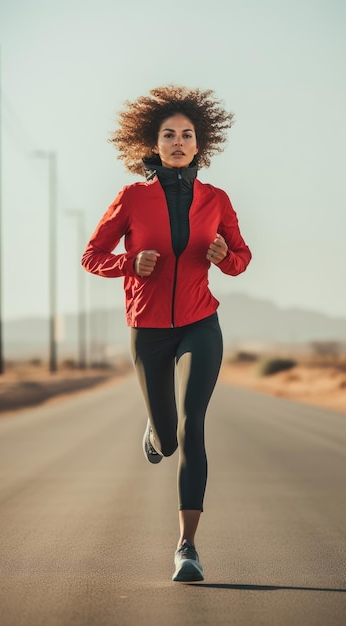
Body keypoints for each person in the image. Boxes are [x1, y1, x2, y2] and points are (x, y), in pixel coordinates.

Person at [81, 85, 252, 582]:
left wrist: (225, 258)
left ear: (201, 145)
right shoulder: (131, 199)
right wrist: (129, 263)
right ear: (153, 145)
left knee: (193, 423)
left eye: (187, 135)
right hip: (148, 330)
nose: (178, 142)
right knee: (171, 438)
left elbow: (242, 259)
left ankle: (187, 547)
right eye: (168, 135)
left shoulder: (216, 200)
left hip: (201, 322)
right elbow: (92, 256)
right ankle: (157, 434)